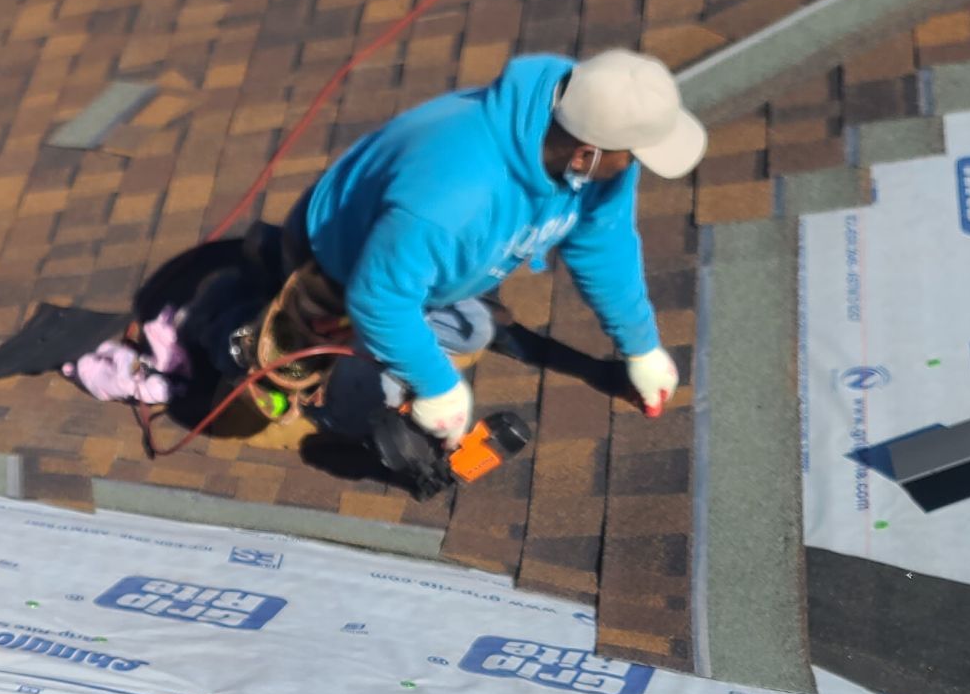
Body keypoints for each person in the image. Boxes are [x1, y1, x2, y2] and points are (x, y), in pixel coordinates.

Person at [286, 47, 697, 450]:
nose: (634, 168)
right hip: (340, 262)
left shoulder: (587, 115)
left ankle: (417, 329)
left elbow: (604, 241)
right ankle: (327, 402)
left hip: (420, 255)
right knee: (375, 406)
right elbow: (378, 300)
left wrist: (641, 346)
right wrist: (438, 388)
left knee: (475, 330)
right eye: (634, 157)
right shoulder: (453, 199)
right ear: (584, 156)